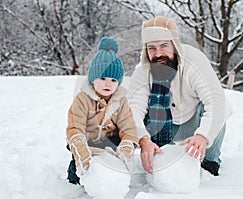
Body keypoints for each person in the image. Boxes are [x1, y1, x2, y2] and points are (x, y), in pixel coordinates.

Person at [128, 16, 226, 176]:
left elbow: (215, 100)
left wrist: (202, 136)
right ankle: (158, 150)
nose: (158, 53)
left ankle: (210, 160)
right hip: (164, 126)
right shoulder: (143, 72)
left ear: (174, 44)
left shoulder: (194, 60)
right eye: (151, 48)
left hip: (194, 121)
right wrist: (143, 139)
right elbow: (133, 110)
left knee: (214, 107)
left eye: (164, 45)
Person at [66, 37, 138, 184]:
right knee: (76, 176)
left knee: (114, 173)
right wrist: (80, 148)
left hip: (111, 145)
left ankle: (114, 179)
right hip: (87, 142)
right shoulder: (82, 99)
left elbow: (128, 126)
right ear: (93, 78)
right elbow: (75, 126)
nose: (108, 84)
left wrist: (127, 144)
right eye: (103, 78)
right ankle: (76, 181)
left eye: (114, 80)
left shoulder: (120, 100)